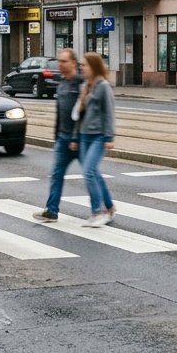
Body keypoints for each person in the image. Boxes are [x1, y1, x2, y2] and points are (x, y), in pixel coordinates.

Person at [33, 48, 84, 222]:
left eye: (64, 62)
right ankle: (52, 210)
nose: (60, 65)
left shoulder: (81, 84)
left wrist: (77, 137)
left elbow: (83, 112)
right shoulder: (62, 83)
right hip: (63, 138)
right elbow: (60, 111)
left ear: (74, 64)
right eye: (59, 61)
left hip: (81, 139)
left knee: (92, 176)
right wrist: (57, 135)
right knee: (56, 174)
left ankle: (106, 208)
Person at [77, 51, 117, 227]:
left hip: (99, 136)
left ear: (93, 67)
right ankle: (109, 207)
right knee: (94, 173)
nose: (81, 68)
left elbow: (109, 113)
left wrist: (109, 136)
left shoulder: (103, 87)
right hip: (85, 135)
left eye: (84, 65)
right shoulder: (87, 86)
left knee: (89, 172)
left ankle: (97, 211)